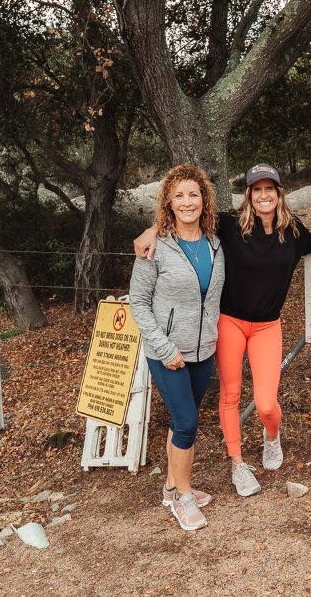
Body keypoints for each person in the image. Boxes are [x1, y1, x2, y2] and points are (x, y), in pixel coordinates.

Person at [135, 162, 311, 497]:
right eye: (257, 189)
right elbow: (183, 213)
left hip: (267, 326)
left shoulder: (292, 230)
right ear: (249, 194)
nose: (264, 195)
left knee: (266, 404)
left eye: (270, 189)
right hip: (230, 322)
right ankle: (237, 464)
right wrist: (152, 230)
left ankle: (271, 436)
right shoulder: (229, 225)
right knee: (231, 395)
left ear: (279, 193)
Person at [129, 165, 225, 531]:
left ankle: (171, 486)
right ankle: (183, 499)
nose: (187, 202)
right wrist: (164, 347)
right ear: (168, 201)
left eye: (194, 195)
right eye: (179, 195)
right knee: (187, 422)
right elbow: (138, 302)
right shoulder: (155, 248)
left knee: (180, 421)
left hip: (203, 350)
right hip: (167, 353)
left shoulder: (216, 243)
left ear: (204, 200)